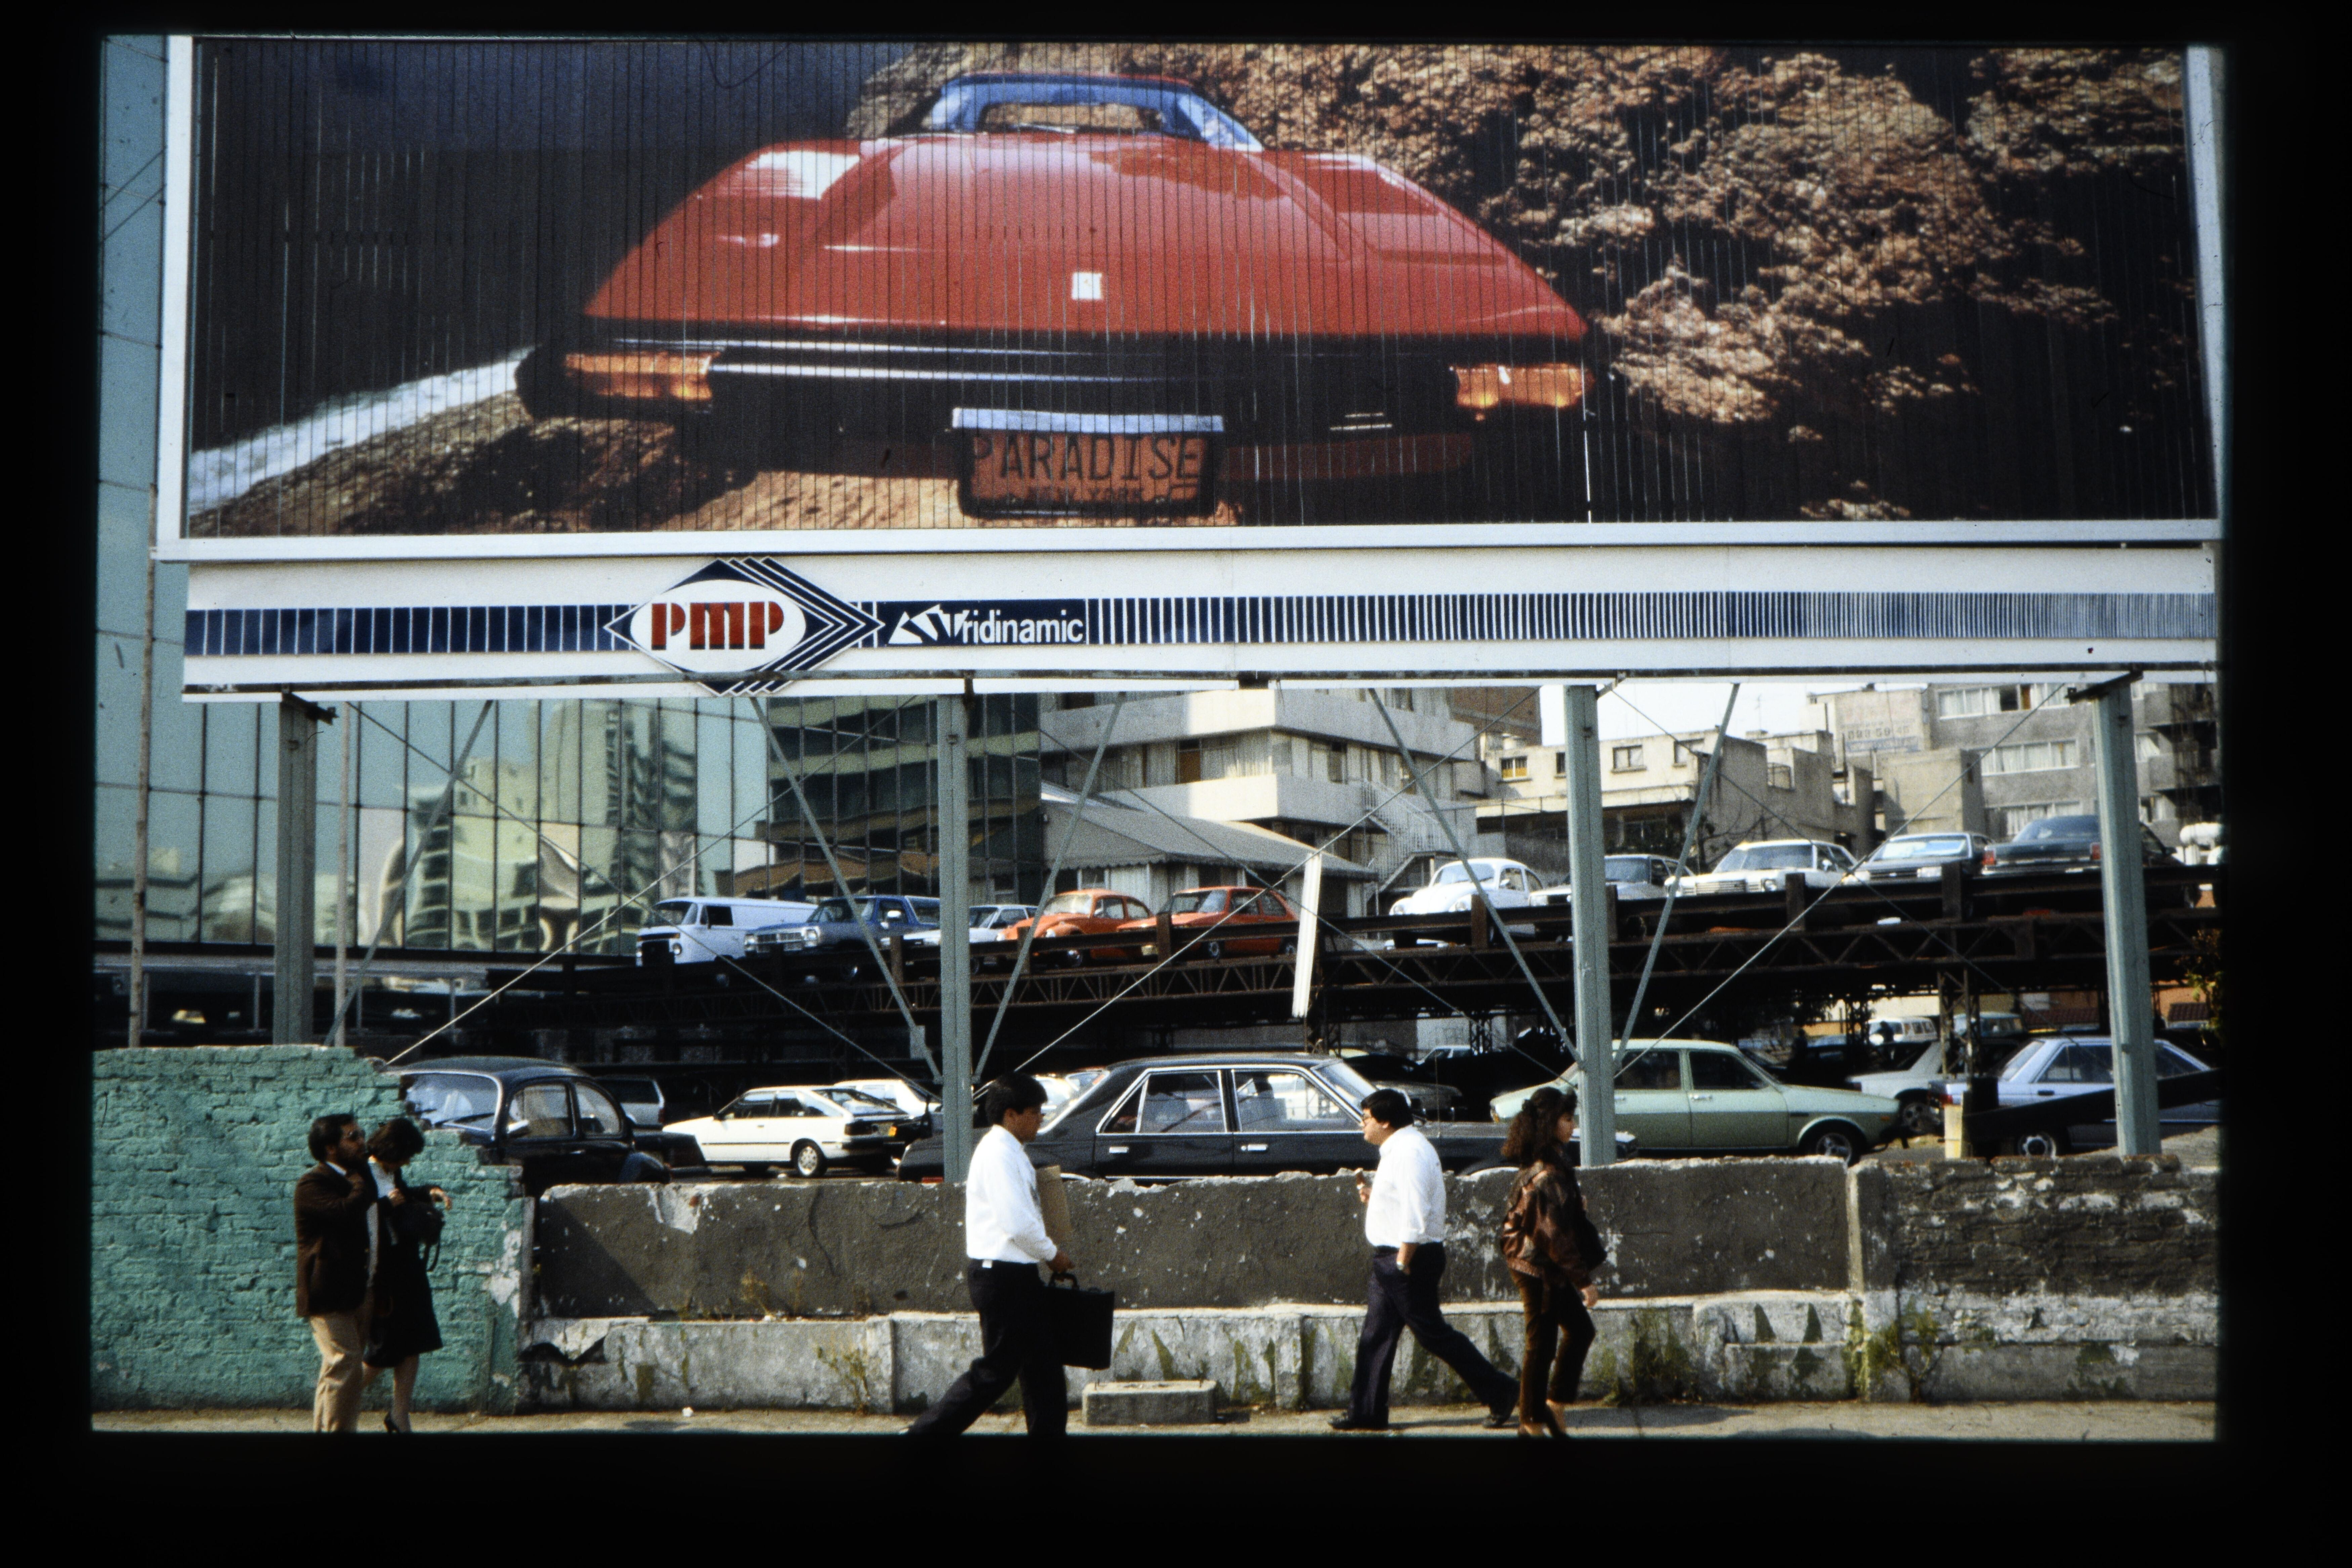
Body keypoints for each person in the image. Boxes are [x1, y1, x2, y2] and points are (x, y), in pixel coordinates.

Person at [1331, 1089, 1520, 1432]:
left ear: (1385, 1121)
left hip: (1407, 1258)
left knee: (1433, 1334)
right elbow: (1403, 1201)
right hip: (1392, 1258)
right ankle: (1366, 1412)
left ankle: (1501, 1390)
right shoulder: (1400, 1148)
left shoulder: (1409, 1152)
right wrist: (1376, 1197)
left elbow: (1417, 1211)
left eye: (1366, 1118)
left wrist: (1403, 1261)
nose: (1362, 1124)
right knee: (1376, 1335)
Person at [903, 1074, 1074, 1438]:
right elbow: (1017, 1222)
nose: (1040, 1119)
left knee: (1043, 1370)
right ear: (1011, 1114)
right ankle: (922, 1436)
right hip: (1002, 1277)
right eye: (1035, 1112)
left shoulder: (1012, 1150)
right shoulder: (998, 1153)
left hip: (1016, 1275)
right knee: (995, 1372)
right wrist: (1052, 1254)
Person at [1499, 1086, 1600, 1438]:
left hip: (1546, 1263)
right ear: (1550, 1123)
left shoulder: (1555, 1159)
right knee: (1540, 1344)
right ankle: (1530, 1423)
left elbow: (1556, 1218)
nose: (1572, 1125)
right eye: (1567, 1119)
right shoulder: (1545, 1172)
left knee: (1580, 1330)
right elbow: (1553, 1235)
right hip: (1534, 1265)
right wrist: (1584, 1282)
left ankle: (1554, 1406)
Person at [360, 1118, 449, 1434]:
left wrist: (429, 1191)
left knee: (414, 1341)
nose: (407, 1162)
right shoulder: (363, 1173)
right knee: (383, 1348)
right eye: (405, 1155)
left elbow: (406, 1194)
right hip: (384, 1269)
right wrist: (386, 1205)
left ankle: (400, 1416)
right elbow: (357, 1216)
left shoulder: (391, 1171)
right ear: (392, 1150)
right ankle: (337, 1401)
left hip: (407, 1265)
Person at [293, 1112, 380, 1433]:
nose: (362, 1141)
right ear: (331, 1148)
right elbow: (346, 1211)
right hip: (327, 1292)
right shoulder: (313, 1183)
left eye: (362, 1133)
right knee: (345, 1364)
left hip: (357, 1290)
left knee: (339, 1371)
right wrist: (360, 1177)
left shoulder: (358, 1177)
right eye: (353, 1137)